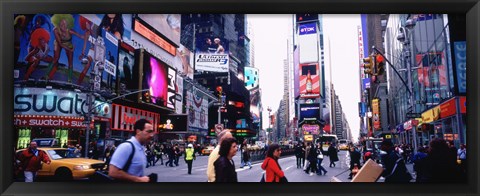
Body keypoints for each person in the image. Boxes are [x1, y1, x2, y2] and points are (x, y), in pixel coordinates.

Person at [47, 14, 84, 83]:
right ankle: (46, 76)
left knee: (70, 62)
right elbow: (60, 43)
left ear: (68, 24)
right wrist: (70, 49)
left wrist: (88, 37)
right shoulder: (55, 30)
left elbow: (81, 36)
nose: (63, 25)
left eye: (65, 23)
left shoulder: (70, 31)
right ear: (58, 24)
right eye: (61, 23)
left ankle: (69, 80)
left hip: (68, 43)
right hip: (58, 43)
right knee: (55, 58)